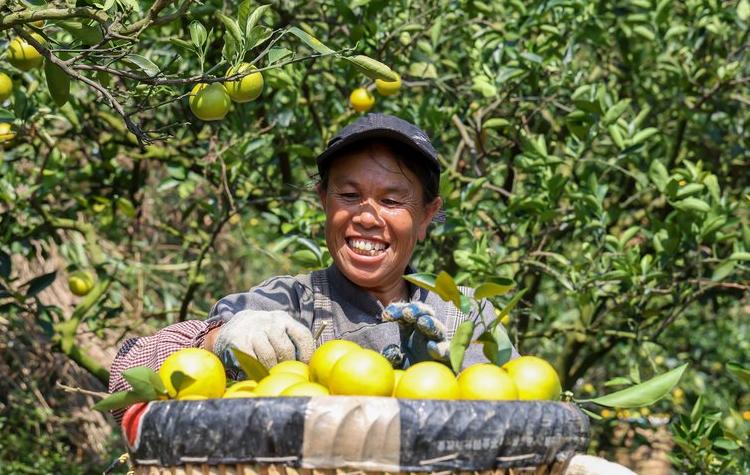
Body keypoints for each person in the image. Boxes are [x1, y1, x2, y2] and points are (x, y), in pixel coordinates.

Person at [109, 114, 516, 412]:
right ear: (324, 200)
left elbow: (524, 420)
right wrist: (219, 340)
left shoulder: (467, 315)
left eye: (392, 201)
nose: (368, 217)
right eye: (349, 195)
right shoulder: (290, 302)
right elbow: (124, 376)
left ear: (427, 216)